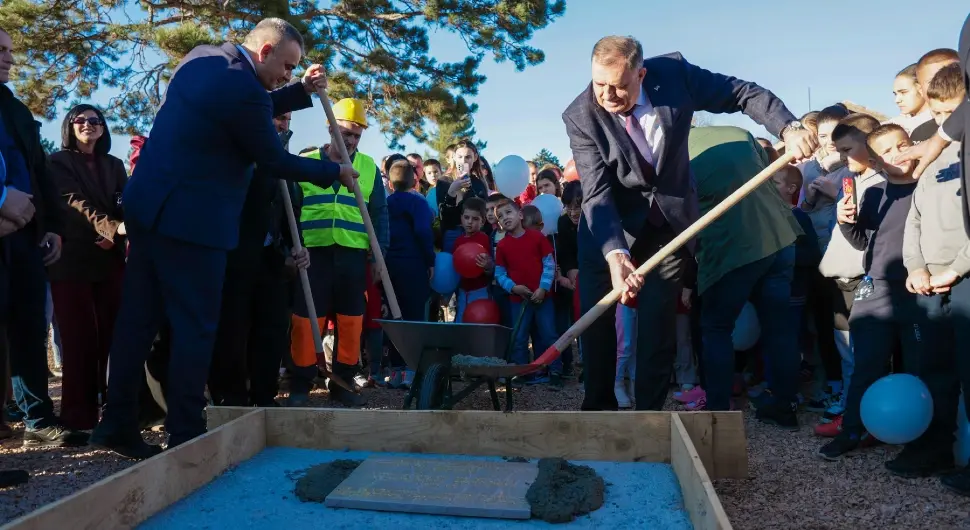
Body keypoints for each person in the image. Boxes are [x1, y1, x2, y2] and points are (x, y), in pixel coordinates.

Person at [91, 18, 357, 459]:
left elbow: (248, 103)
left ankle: (116, 421)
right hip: (193, 223)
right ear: (266, 49)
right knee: (197, 327)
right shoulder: (243, 89)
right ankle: (186, 432)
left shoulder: (204, 58)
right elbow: (272, 159)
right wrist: (335, 173)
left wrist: (299, 94)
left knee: (137, 323)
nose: (288, 75)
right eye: (287, 66)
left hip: (149, 211)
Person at [562, 35, 816, 411]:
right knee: (598, 322)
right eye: (600, 84)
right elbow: (597, 194)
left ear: (642, 74)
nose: (608, 96)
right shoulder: (580, 116)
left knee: (658, 323)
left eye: (619, 85)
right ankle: (598, 410)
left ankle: (649, 416)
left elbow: (742, 93)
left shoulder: (675, 76)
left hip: (668, 225)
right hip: (608, 230)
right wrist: (616, 256)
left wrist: (789, 127)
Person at [818, 123, 928, 462]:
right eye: (887, 152)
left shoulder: (926, 188)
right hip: (877, 287)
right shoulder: (873, 193)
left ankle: (922, 441)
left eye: (902, 145)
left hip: (918, 289)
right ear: (877, 162)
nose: (897, 155)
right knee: (865, 363)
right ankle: (853, 429)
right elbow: (863, 241)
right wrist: (845, 221)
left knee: (919, 365)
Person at [0, 28, 87, 448]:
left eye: (11, 50)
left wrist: (51, 225)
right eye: (0, 50)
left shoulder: (14, 110)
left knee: (29, 327)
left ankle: (37, 419)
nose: (9, 60)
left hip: (26, 238)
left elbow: (38, 171)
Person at [689, 126, 802, 422]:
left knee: (716, 328)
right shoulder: (738, 132)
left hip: (734, 244)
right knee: (780, 327)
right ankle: (785, 406)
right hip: (779, 236)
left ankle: (718, 414)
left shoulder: (671, 153)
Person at [288, 97, 388, 407]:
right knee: (307, 319)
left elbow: (379, 213)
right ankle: (302, 382)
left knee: (350, 319)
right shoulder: (307, 161)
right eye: (345, 133)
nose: (351, 140)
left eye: (357, 135)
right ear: (331, 128)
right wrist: (291, 247)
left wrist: (379, 255)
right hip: (312, 254)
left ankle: (343, 381)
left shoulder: (368, 167)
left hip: (352, 255)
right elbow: (291, 207)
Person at [207, 112, 310, 407]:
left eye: (287, 119)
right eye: (277, 117)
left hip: (273, 258)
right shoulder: (237, 153)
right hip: (234, 256)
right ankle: (232, 397)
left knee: (273, 328)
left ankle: (264, 396)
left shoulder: (283, 161)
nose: (282, 123)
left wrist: (296, 246)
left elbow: (291, 212)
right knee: (234, 329)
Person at [46, 104, 128, 430]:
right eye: (80, 120)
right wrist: (112, 228)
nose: (88, 125)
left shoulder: (115, 164)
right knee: (78, 339)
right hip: (71, 261)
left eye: (95, 120)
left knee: (115, 335)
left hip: (110, 259)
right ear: (69, 126)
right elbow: (73, 202)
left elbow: (126, 201)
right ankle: (78, 417)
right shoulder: (57, 162)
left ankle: (116, 409)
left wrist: (117, 235)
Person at [494, 200, 560, 386]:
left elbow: (549, 264)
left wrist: (542, 288)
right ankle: (522, 372)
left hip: (542, 298)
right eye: (500, 216)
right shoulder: (503, 246)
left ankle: (554, 370)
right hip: (518, 300)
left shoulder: (537, 238)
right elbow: (500, 274)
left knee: (549, 334)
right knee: (520, 337)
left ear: (520, 215)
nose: (505, 217)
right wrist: (514, 288)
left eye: (508, 213)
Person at [384, 160, 434, 387]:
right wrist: (430, 260)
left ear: (391, 183)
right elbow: (423, 231)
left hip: (389, 265)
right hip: (413, 263)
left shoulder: (384, 203)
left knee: (395, 316)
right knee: (415, 317)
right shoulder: (418, 203)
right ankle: (412, 370)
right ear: (414, 180)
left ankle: (394, 370)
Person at [453, 198, 494, 322]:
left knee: (478, 322)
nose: (470, 222)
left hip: (480, 290)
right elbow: (455, 267)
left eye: (475, 219)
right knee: (461, 321)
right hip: (462, 291)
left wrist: (488, 266)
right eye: (466, 217)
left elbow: (491, 267)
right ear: (461, 218)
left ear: (483, 221)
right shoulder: (458, 241)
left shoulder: (485, 240)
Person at [910, 49, 960, 142]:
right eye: (933, 81)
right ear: (920, 90)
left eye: (953, 76)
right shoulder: (920, 134)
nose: (944, 84)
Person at [888, 64, 932, 134]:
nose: (897, 100)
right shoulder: (892, 125)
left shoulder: (942, 122)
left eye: (903, 92)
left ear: (922, 89)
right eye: (895, 94)